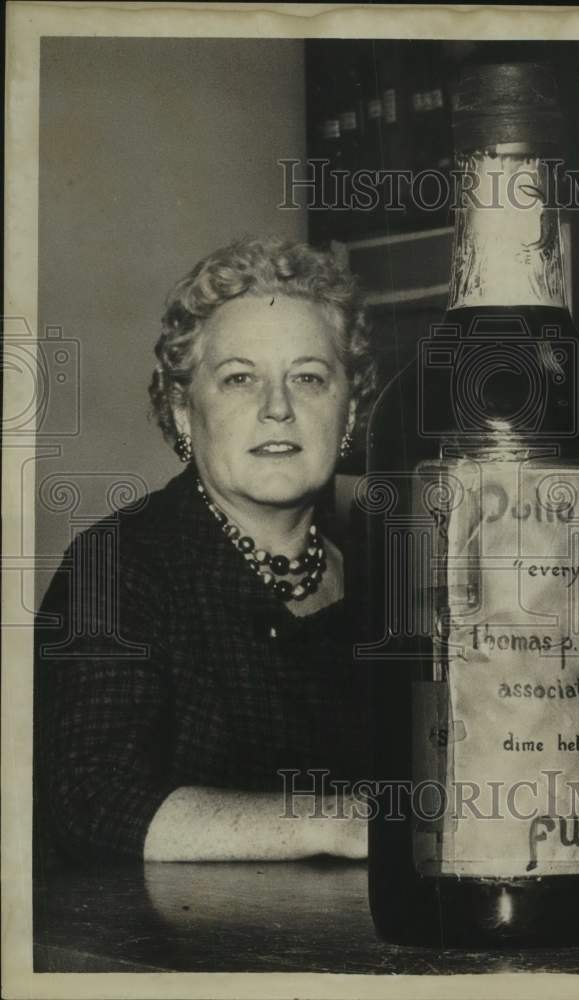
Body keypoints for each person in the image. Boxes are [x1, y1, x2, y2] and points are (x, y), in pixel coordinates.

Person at [35, 236, 378, 864]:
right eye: (239, 378)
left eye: (308, 377)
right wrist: (332, 821)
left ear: (349, 411)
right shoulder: (117, 568)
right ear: (183, 411)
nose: (278, 408)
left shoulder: (390, 577)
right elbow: (86, 798)